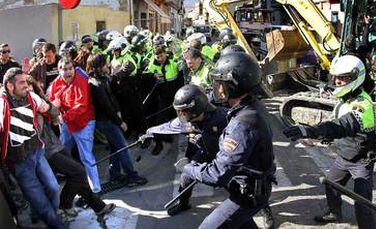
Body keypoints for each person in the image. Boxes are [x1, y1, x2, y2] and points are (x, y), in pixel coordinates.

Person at [181, 52, 276, 228]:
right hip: (253, 185)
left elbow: (217, 175)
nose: (218, 88)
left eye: (221, 83)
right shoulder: (251, 105)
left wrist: (188, 168)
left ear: (234, 86)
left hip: (248, 194)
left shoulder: (242, 123)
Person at [283, 55, 376, 228]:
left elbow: (339, 126)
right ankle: (334, 212)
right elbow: (334, 126)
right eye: (337, 77)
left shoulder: (363, 105)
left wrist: (308, 130)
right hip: (344, 156)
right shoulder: (346, 99)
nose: (338, 82)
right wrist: (316, 137)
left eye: (344, 78)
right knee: (331, 183)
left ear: (357, 77)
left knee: (363, 204)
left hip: (361, 160)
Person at [26, 76, 116, 220]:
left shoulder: (40, 101)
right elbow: (36, 130)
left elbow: (55, 115)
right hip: (45, 151)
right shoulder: (26, 107)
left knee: (78, 174)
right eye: (25, 87)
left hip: (55, 145)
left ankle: (98, 207)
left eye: (30, 86)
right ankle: (65, 205)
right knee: (78, 172)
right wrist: (42, 112)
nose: (28, 90)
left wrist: (49, 108)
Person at [144, 84, 228, 216]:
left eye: (183, 111)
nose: (179, 115)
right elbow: (167, 127)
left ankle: (262, 207)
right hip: (205, 153)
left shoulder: (223, 118)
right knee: (186, 175)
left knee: (241, 188)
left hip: (227, 157)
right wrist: (149, 133)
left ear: (196, 108)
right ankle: (183, 202)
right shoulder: (186, 121)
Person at [0, 68, 65, 228]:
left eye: (26, 82)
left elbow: (48, 107)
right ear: (9, 86)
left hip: (37, 152)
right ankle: (56, 224)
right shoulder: (2, 104)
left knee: (54, 188)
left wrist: (56, 115)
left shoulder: (31, 96)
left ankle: (46, 215)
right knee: (40, 200)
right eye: (21, 83)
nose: (27, 86)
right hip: (19, 162)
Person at [87, 53, 147, 186]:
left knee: (115, 147)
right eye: (104, 64)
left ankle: (114, 174)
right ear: (97, 67)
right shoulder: (94, 84)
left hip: (110, 120)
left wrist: (124, 70)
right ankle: (131, 176)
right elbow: (107, 106)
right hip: (106, 121)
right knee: (122, 147)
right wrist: (120, 122)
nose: (107, 66)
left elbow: (113, 82)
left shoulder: (102, 79)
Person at [47, 57, 101, 194]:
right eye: (64, 69)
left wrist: (61, 117)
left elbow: (81, 106)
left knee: (86, 156)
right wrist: (54, 108)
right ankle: (68, 178)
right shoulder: (56, 83)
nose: (68, 72)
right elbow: (51, 100)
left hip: (84, 123)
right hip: (67, 124)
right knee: (61, 151)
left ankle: (96, 188)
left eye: (70, 68)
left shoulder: (80, 81)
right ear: (58, 71)